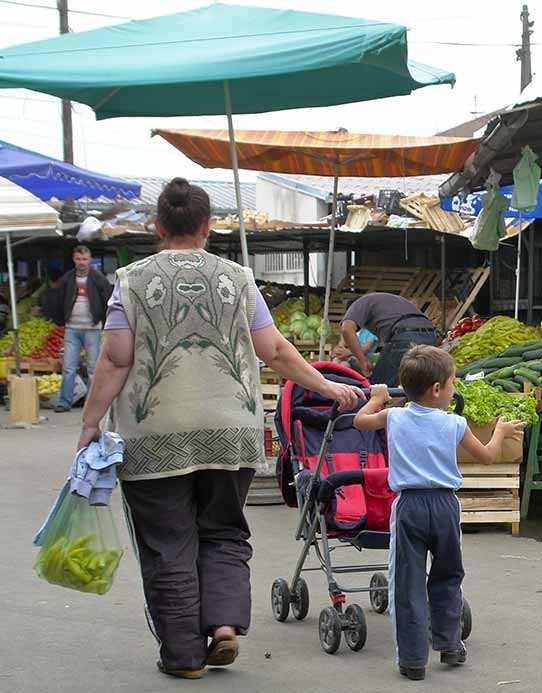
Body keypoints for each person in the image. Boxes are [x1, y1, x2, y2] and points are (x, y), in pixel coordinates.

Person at [76, 177, 364, 680]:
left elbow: (115, 357)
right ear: (209, 227)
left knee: (169, 543)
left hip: (153, 436)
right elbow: (273, 350)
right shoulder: (238, 278)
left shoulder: (132, 280)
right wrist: (328, 387)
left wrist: (89, 422)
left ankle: (185, 657)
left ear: (158, 225)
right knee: (225, 533)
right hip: (231, 433)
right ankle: (225, 626)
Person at [354, 345, 524, 681]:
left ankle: (414, 660)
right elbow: (488, 456)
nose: (453, 390)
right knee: (448, 576)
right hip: (445, 507)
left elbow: (360, 421)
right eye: (452, 384)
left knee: (407, 583)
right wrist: (501, 433)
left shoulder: (395, 416)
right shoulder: (455, 424)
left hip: (409, 507)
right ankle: (450, 644)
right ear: (437, 389)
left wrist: (377, 396)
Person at [54, 246, 111, 412]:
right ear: (74, 259)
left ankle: (92, 404)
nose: (82, 262)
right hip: (72, 328)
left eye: (85, 259)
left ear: (90, 259)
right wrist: (63, 320)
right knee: (68, 367)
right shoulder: (67, 279)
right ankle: (65, 402)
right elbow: (60, 300)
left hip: (92, 328)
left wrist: (102, 321)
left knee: (94, 368)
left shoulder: (98, 278)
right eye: (79, 259)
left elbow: (107, 299)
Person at [339, 292, 437, 386]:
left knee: (379, 387)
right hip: (429, 334)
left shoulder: (358, 304)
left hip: (405, 334)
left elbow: (347, 329)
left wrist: (363, 361)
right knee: (415, 383)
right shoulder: (385, 302)